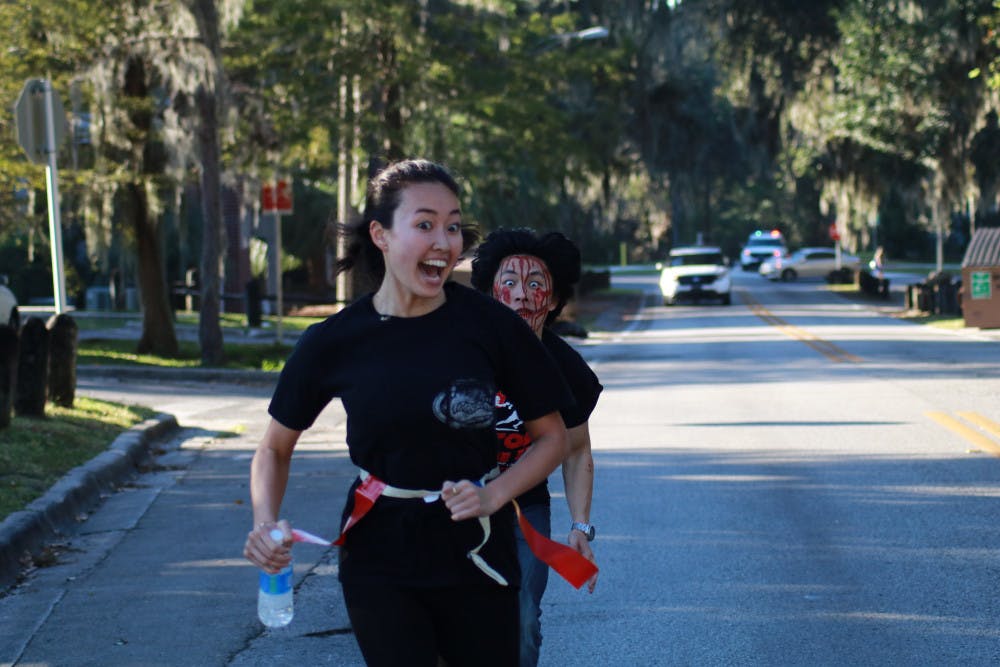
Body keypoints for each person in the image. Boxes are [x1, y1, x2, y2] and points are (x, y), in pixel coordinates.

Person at [242, 159, 573, 666]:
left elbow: (553, 437)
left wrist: (493, 495)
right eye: (425, 224)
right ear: (381, 234)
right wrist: (265, 523)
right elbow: (273, 447)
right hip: (379, 555)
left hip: (477, 553)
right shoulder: (335, 341)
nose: (444, 241)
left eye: (454, 225)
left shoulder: (490, 326)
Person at [471, 228, 603, 667]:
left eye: (534, 285)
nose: (522, 296)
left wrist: (580, 527)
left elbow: (577, 449)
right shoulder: (463, 349)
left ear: (552, 298)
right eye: (509, 283)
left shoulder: (565, 367)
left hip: (523, 507)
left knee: (522, 617)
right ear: (490, 293)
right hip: (454, 502)